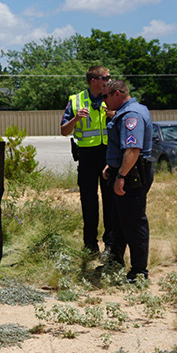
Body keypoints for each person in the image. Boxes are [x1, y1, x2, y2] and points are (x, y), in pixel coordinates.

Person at [100, 78, 155, 283]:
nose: (103, 101)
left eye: (105, 96)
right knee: (120, 221)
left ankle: (139, 272)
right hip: (126, 170)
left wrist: (121, 175)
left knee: (133, 222)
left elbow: (133, 149)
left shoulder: (131, 115)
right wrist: (113, 166)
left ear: (117, 94)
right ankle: (115, 261)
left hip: (132, 174)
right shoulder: (128, 111)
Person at [60, 66, 117, 256]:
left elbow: (126, 121)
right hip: (87, 156)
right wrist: (76, 119)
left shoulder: (113, 98)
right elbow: (63, 130)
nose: (109, 81)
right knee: (89, 201)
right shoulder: (76, 100)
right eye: (105, 78)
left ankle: (110, 244)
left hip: (108, 155)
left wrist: (114, 116)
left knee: (111, 201)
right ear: (94, 80)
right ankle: (90, 245)